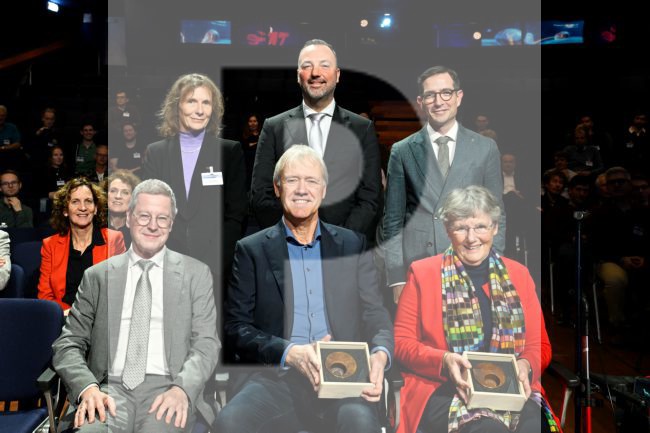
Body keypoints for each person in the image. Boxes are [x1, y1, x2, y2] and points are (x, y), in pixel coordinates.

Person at [215, 145, 393, 433]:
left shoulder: (352, 245)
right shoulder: (252, 250)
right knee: (229, 424)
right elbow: (236, 328)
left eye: (311, 181)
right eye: (292, 180)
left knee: (360, 424)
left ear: (324, 190)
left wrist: (380, 355)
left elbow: (376, 314)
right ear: (277, 188)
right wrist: (289, 352)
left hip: (344, 376)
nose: (301, 189)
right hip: (277, 379)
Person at [52, 179, 220, 433]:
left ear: (171, 224)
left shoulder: (196, 274)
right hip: (107, 391)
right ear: (129, 218)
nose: (153, 225)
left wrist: (182, 389)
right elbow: (67, 344)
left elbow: (206, 344)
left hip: (168, 390)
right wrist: (88, 387)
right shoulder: (98, 276)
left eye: (162, 218)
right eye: (144, 216)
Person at [394, 185, 558, 433]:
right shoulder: (422, 273)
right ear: (448, 230)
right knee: (488, 429)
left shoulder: (519, 275)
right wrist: (443, 360)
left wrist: (525, 365)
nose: (471, 238)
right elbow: (401, 343)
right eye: (461, 228)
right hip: (444, 387)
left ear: (495, 228)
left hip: (513, 389)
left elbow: (539, 346)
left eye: (480, 226)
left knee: (534, 427)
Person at [383, 65, 505, 304]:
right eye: (430, 95)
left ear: (458, 97)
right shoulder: (402, 150)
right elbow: (393, 220)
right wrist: (396, 277)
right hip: (418, 263)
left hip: (471, 258)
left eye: (446, 93)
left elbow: (497, 212)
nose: (438, 101)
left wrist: (494, 262)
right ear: (421, 102)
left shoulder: (485, 148)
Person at [250, 39, 382, 243]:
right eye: (307, 66)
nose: (315, 73)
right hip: (287, 245)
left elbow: (370, 197)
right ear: (298, 75)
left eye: (324, 65)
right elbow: (261, 195)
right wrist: (292, 237)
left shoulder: (362, 129)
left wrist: (341, 241)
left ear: (337, 75)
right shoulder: (274, 127)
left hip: (345, 247)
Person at [143, 72, 247, 300]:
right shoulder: (156, 153)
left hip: (214, 271)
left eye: (206, 103)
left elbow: (236, 215)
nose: (200, 110)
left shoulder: (229, 152)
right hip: (165, 265)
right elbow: (149, 213)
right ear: (176, 106)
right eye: (191, 101)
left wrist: (213, 265)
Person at [37, 177, 125, 313]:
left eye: (88, 201)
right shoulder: (50, 245)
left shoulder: (114, 239)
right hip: (64, 316)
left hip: (100, 316)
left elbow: (118, 291)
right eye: (75, 202)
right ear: (65, 210)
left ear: (95, 208)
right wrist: (70, 314)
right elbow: (45, 296)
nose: (83, 208)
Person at [107, 170, 141, 248]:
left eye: (125, 192)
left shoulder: (139, 231)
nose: (118, 196)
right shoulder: (94, 227)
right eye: (113, 191)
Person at [0, 105, 23, 171]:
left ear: (5, 116)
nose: (0, 118)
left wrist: (3, 148)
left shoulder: (12, 127)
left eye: (2, 115)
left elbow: (17, 144)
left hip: (9, 158)